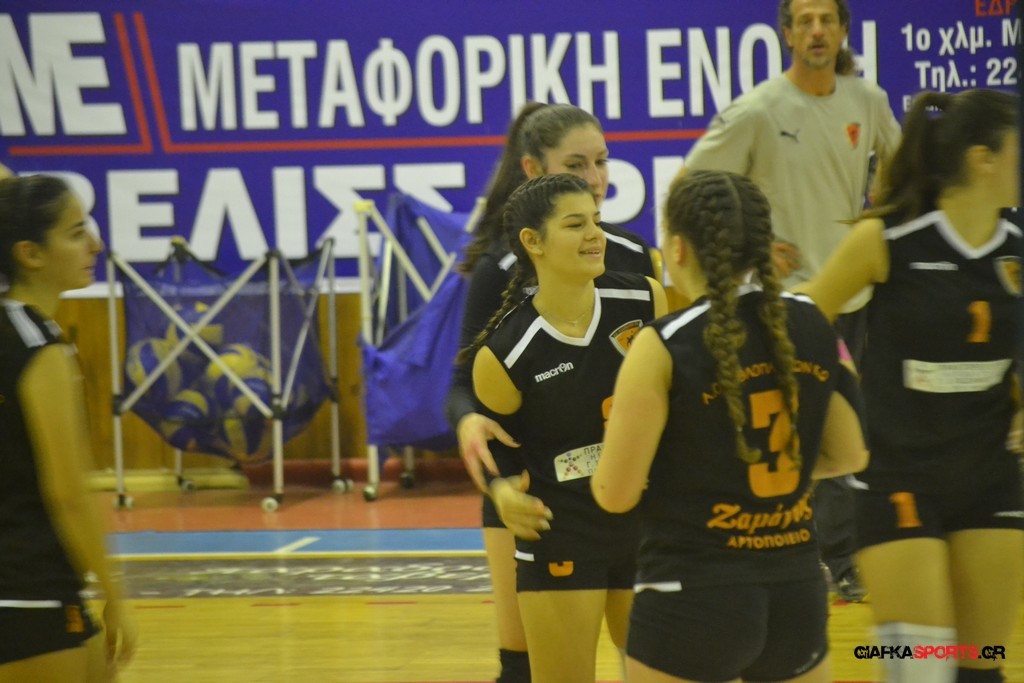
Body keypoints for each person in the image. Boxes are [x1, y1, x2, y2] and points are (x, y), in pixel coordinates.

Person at [592, 169, 868, 682]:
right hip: (796, 590)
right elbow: (851, 454)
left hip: (690, 593)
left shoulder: (662, 343)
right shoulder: (813, 320)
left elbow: (615, 493)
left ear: (677, 248)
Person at [677, 0, 902, 600]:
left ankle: (843, 556)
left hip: (854, 299)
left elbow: (903, 170)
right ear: (786, 34)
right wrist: (752, 243)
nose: (817, 30)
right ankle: (812, 555)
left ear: (844, 30)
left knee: (852, 429)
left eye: (826, 19)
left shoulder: (868, 101)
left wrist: (878, 211)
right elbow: (691, 187)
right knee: (798, 429)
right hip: (786, 303)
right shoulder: (758, 110)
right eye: (804, 21)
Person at [797, 88, 1022, 683]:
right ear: (983, 158)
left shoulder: (1017, 248)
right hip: (898, 476)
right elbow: (803, 320)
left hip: (990, 476)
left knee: (982, 667)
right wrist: (842, 385)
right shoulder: (889, 239)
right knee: (920, 670)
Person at [445, 102, 660, 682]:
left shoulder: (637, 265)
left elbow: (675, 364)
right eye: (576, 164)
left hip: (633, 496)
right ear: (534, 169)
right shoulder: (500, 271)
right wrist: (471, 427)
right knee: (523, 661)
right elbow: (465, 384)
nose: (595, 177)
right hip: (539, 481)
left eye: (601, 161)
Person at [0, 174, 137, 681]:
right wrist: (115, 594)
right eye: (77, 233)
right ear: (30, 253)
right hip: (29, 588)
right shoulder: (39, 348)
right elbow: (67, 493)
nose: (94, 245)